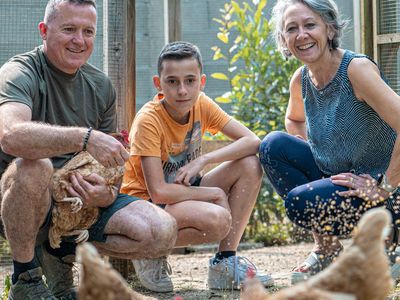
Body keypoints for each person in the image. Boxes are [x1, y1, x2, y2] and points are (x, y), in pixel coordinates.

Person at [0, 1, 177, 299]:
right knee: (36, 167)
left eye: (88, 31)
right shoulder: (19, 72)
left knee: (162, 230)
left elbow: (111, 164)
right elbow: (9, 135)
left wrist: (105, 194)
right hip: (20, 201)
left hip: (78, 205)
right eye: (69, 29)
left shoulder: (100, 85)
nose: (79, 40)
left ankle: (61, 254)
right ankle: (26, 278)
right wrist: (84, 137)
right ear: (44, 31)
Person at [259, 0, 400, 284]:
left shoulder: (355, 70)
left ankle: (390, 247)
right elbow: (293, 119)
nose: (301, 35)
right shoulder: (301, 79)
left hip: (384, 188)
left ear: (330, 29)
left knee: (300, 202)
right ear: (284, 40)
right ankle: (327, 250)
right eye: (291, 29)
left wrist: (385, 186)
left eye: (310, 25)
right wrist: (317, 150)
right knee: (272, 146)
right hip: (344, 179)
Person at [121, 41, 274, 292]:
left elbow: (252, 141)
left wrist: (203, 160)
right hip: (145, 208)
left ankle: (225, 263)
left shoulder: (201, 104)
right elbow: (159, 192)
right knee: (217, 219)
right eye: (172, 81)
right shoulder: (149, 120)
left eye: (190, 81)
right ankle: (149, 250)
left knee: (250, 165)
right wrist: (212, 193)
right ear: (158, 84)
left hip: (181, 194)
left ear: (201, 82)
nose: (182, 90)